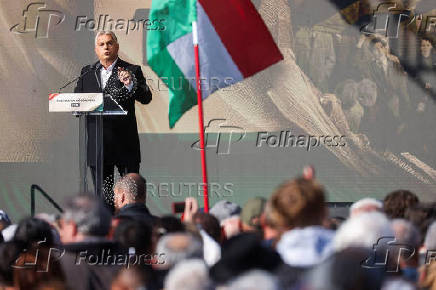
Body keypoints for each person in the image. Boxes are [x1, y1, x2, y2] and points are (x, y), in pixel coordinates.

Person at [74, 30, 152, 206]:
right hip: (98, 146)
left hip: (125, 145)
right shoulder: (87, 72)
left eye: (109, 43)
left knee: (130, 197)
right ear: (96, 50)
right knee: (104, 199)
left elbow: (146, 98)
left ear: (116, 46)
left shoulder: (132, 70)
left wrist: (130, 84)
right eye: (101, 44)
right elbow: (76, 100)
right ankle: (107, 229)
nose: (106, 47)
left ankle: (130, 226)